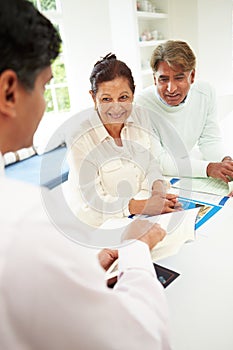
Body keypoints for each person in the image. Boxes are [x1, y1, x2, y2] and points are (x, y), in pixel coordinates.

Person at [0, 1, 172, 349]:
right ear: (9, 91)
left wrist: (85, 271)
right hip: (112, 234)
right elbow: (141, 340)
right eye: (47, 86)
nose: (47, 102)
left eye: (124, 96)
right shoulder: (21, 222)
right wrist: (137, 249)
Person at [66, 53, 181, 227]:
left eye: (123, 97)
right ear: (93, 98)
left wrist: (158, 189)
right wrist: (143, 206)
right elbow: (92, 203)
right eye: (106, 99)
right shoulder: (80, 137)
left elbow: (151, 164)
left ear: (133, 94)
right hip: (98, 227)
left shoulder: (141, 116)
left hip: (138, 214)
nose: (116, 107)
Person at [135, 40, 233, 183]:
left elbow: (209, 140)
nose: (171, 89)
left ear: (192, 76)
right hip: (158, 177)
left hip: (186, 169)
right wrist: (209, 168)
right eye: (163, 79)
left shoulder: (205, 92)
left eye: (179, 78)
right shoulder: (142, 104)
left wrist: (225, 161)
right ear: (154, 79)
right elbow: (159, 161)